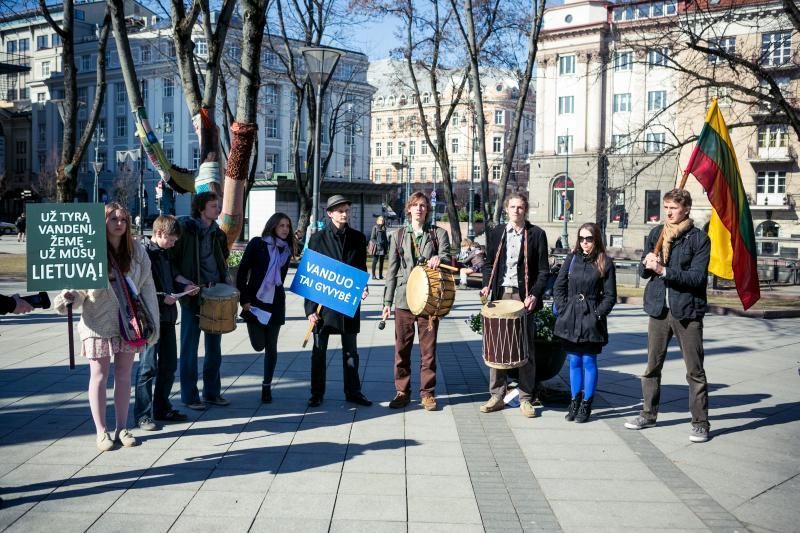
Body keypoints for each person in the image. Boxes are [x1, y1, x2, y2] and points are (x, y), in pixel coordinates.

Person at [54, 202, 159, 451]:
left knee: (123, 376)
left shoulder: (137, 252)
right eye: (114, 219)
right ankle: (101, 432)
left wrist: (152, 323)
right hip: (97, 321)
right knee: (99, 376)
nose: (120, 223)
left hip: (128, 322)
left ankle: (122, 427)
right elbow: (79, 289)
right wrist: (69, 297)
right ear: (103, 222)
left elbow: (147, 287)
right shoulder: (89, 249)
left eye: (123, 219)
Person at [625, 188, 712, 443]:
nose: (669, 213)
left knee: (694, 370)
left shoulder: (698, 239)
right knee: (652, 366)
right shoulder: (657, 233)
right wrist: (647, 263)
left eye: (673, 208)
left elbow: (697, 279)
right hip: (658, 311)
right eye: (666, 208)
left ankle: (700, 422)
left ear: (686, 209)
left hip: (687, 312)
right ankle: (648, 414)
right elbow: (644, 273)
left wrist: (663, 270)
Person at [479, 193, 549, 418]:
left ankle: (526, 397)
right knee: (497, 344)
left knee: (525, 346)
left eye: (520, 207)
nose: (516, 211)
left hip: (523, 296)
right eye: (512, 207)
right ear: (506, 209)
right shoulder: (497, 232)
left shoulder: (536, 234)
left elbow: (543, 271)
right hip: (501, 293)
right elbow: (489, 264)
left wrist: (535, 295)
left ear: (525, 210)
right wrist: (486, 286)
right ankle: (497, 395)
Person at [382, 191, 451, 411]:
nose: (419, 208)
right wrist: (386, 302)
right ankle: (402, 391)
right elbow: (391, 271)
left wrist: (440, 258)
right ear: (409, 209)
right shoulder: (398, 235)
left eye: (423, 205)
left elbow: (448, 257)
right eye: (415, 205)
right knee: (401, 349)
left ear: (427, 210)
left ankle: (427, 394)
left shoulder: (438, 234)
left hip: (429, 300)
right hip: (404, 300)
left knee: (428, 351)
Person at [305, 195, 372, 408]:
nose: (344, 214)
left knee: (351, 351)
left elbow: (361, 268)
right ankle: (317, 393)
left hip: (348, 302)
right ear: (330, 213)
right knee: (319, 352)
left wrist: (363, 287)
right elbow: (310, 275)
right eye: (340, 210)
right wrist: (309, 309)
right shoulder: (317, 239)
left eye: (346, 210)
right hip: (322, 306)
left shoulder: (358, 238)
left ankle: (353, 391)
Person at [134, 215, 199, 431]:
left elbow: (172, 274)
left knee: (169, 366)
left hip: (168, 318)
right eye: (171, 240)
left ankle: (162, 408)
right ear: (160, 233)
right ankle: (143, 415)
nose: (173, 244)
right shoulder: (142, 253)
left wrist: (185, 283)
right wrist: (163, 297)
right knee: (147, 367)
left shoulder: (164, 253)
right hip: (150, 319)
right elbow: (139, 286)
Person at [170, 191, 231, 410]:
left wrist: (227, 280)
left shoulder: (218, 233)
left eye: (218, 205)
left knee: (214, 348)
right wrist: (183, 283)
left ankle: (212, 393)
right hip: (192, 295)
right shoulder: (185, 229)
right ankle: (189, 396)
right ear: (201, 208)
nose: (218, 209)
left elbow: (222, 260)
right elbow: (171, 260)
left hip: (215, 296)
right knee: (189, 347)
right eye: (214, 206)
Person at [553, 222, 617, 424]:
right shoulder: (572, 259)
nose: (585, 243)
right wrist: (563, 307)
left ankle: (587, 403)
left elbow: (610, 295)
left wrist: (597, 314)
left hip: (591, 318)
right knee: (574, 361)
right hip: (570, 316)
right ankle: (574, 400)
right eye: (581, 238)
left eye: (589, 238)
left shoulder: (604, 262)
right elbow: (559, 285)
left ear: (596, 239)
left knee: (588, 361)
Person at [237, 213, 295, 403]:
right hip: (255, 301)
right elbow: (242, 270)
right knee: (258, 345)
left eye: (287, 226)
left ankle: (266, 386)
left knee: (271, 347)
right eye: (281, 225)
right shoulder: (257, 244)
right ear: (272, 226)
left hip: (276, 302)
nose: (285, 229)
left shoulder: (287, 249)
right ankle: (266, 384)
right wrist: (244, 299)